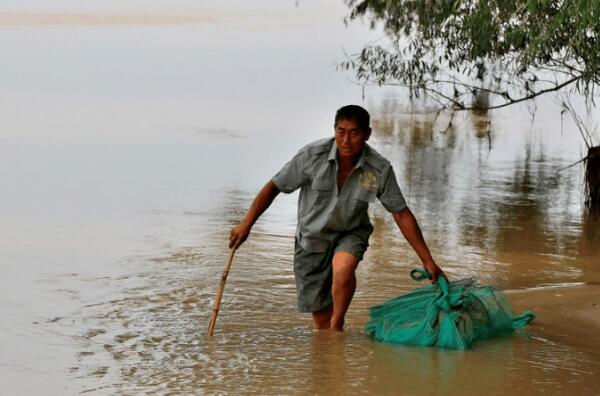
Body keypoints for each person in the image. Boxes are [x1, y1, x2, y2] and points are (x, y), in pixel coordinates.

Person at [229, 105, 446, 332]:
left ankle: (338, 321)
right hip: (311, 239)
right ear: (334, 130)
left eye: (354, 133)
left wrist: (427, 260)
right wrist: (246, 224)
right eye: (341, 131)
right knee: (321, 325)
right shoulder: (312, 157)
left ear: (367, 134)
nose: (346, 140)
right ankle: (332, 345)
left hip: (350, 232)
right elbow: (274, 187)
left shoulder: (378, 168)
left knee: (342, 271)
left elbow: (401, 213)